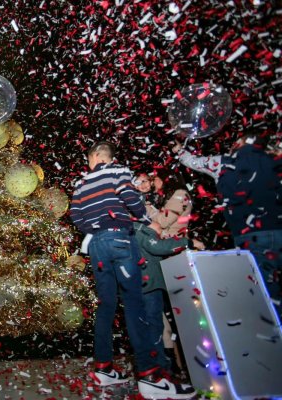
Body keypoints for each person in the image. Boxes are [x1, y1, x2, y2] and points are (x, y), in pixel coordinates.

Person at [70, 141, 195, 399]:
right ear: (109, 157)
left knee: (106, 305)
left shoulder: (81, 183)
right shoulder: (118, 172)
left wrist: (95, 228)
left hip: (97, 246)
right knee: (135, 304)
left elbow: (76, 216)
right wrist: (143, 218)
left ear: (94, 156)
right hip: (119, 241)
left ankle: (103, 367)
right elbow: (130, 199)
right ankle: (150, 376)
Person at [173, 133, 282, 315]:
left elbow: (191, 161)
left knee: (266, 295)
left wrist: (178, 150)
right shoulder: (274, 161)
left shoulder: (223, 162)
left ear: (239, 143)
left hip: (251, 237)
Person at [133, 222, 204, 374]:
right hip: (149, 286)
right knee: (155, 326)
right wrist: (189, 242)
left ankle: (159, 366)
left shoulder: (130, 231)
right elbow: (158, 247)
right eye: (160, 229)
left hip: (140, 287)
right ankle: (159, 368)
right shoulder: (140, 230)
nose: (161, 231)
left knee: (153, 326)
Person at [151, 170, 193, 239]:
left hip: (174, 241)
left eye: (154, 179)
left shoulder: (180, 194)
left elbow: (163, 221)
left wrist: (144, 208)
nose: (152, 182)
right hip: (166, 240)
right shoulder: (165, 195)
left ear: (162, 180)